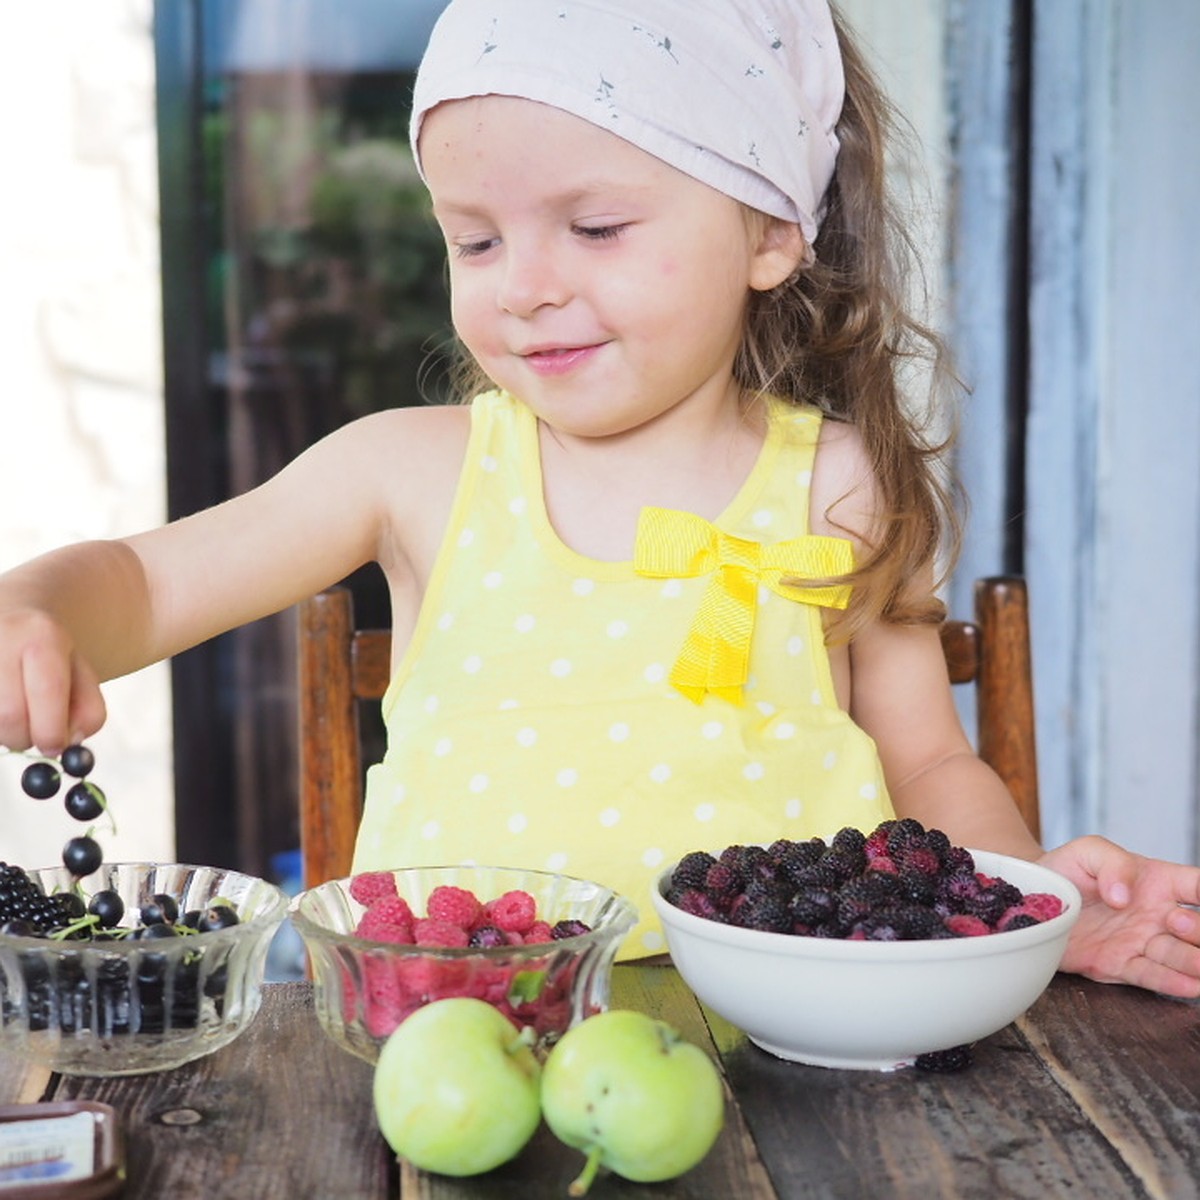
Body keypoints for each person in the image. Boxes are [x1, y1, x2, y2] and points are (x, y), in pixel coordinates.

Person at [2, 0, 1199, 986]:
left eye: (595, 225)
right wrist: (41, 610)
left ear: (773, 233)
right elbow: (151, 581)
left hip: (799, 1061)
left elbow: (932, 771)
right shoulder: (410, 472)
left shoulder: (838, 482)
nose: (524, 287)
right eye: (475, 242)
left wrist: (1042, 912)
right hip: (444, 1042)